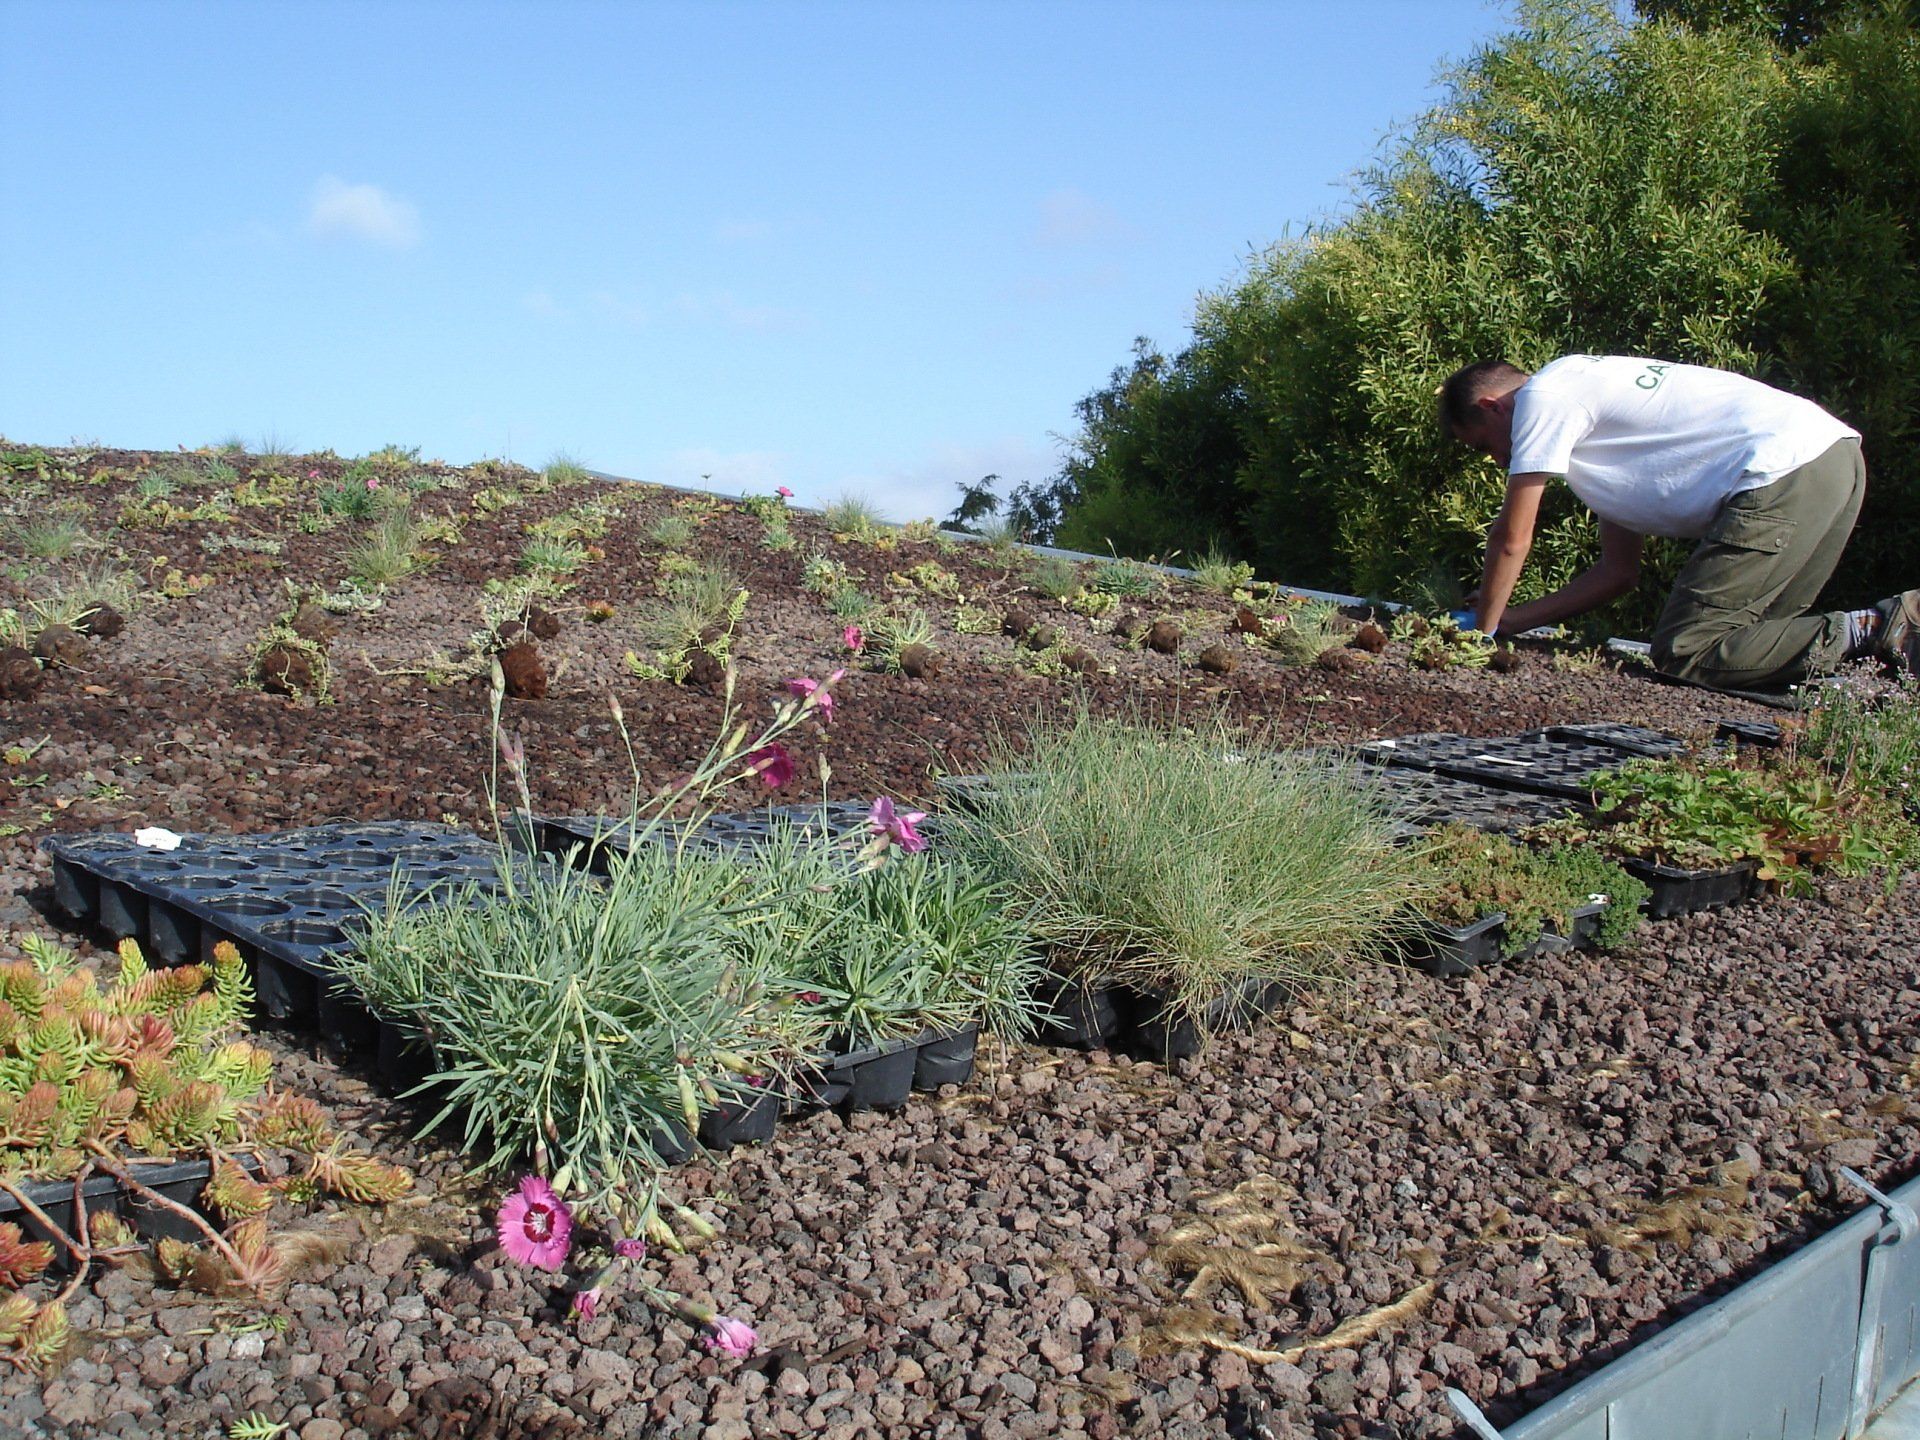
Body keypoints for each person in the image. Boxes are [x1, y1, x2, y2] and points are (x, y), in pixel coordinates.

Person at [1439, 355, 1920, 691]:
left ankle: (1879, 624)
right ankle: (1892, 635)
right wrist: (1512, 621)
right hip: (1834, 459)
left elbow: (1511, 538)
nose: (1500, 460)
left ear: (1493, 406)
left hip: (1781, 469)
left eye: (1485, 445)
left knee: (1685, 651)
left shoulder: (1546, 396)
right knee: (1755, 653)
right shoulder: (1601, 433)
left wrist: (1479, 636)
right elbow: (1617, 574)